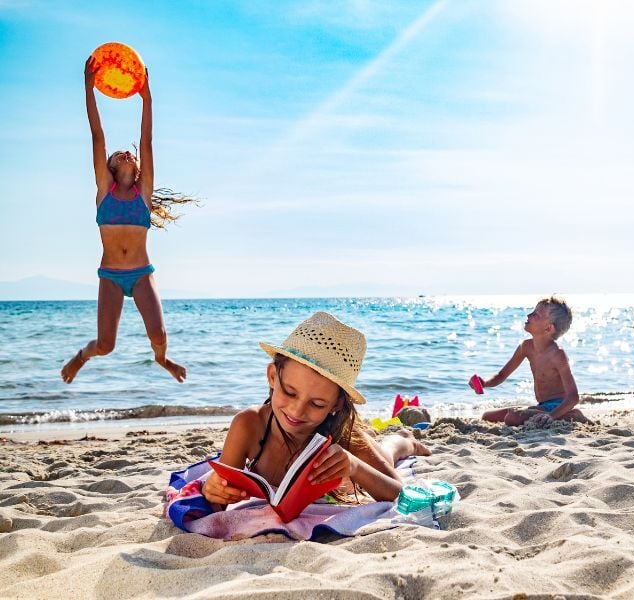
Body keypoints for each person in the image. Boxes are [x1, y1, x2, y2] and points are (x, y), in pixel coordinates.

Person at [202, 312, 431, 508]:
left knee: (386, 454)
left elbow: (399, 492)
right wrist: (213, 490)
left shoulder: (343, 435)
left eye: (317, 404)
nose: (297, 411)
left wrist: (355, 466)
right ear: (273, 377)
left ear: (336, 404)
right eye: (290, 392)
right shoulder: (248, 425)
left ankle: (403, 440)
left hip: (352, 440)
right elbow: (218, 497)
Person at [61, 57, 195, 384]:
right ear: (107, 165)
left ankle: (162, 360)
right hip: (109, 274)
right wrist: (88, 87)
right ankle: (82, 356)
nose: (126, 153)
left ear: (137, 170)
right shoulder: (103, 190)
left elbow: (145, 140)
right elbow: (97, 135)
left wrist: (146, 98)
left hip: (140, 273)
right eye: (118, 153)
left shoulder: (143, 194)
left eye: (130, 154)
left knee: (160, 334)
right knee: (105, 345)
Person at [474, 296, 588, 425]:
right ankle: (543, 413)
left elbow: (573, 397)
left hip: (557, 407)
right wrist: (484, 383)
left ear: (548, 328)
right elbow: (501, 376)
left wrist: (551, 416)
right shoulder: (526, 347)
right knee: (487, 416)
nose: (528, 315)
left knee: (512, 418)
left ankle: (572, 415)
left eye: (536, 315)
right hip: (542, 406)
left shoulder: (557, 354)